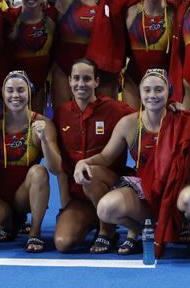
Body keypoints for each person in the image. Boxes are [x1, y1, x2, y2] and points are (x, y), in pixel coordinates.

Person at [79, 69, 190, 257]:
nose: (152, 95)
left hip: (176, 192)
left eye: (159, 90)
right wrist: (83, 163)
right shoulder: (129, 124)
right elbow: (105, 158)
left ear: (169, 92)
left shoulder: (184, 123)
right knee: (106, 209)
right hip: (145, 193)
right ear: (140, 93)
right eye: (147, 90)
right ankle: (142, 229)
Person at [0, 71, 61, 253]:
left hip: (24, 195)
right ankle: (11, 220)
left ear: (29, 92)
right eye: (10, 91)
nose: (15, 95)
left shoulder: (42, 124)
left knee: (39, 172)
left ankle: (34, 232)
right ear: (3, 94)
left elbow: (56, 168)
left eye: (20, 90)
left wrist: (43, 140)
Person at [52, 59, 135, 253]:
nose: (81, 84)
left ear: (96, 82)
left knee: (90, 173)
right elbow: (59, 167)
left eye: (87, 79)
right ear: (69, 80)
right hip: (81, 196)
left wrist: (172, 107)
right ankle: (95, 220)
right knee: (63, 242)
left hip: (110, 186)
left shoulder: (117, 110)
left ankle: (107, 231)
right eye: (77, 78)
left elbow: (146, 118)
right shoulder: (61, 114)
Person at [4, 0, 57, 112]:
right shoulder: (10, 17)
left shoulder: (51, 15)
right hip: (16, 81)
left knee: (37, 118)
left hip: (42, 79)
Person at [123, 0, 174, 109]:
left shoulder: (173, 12)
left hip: (164, 81)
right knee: (133, 123)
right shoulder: (130, 11)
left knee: (160, 127)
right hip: (133, 80)